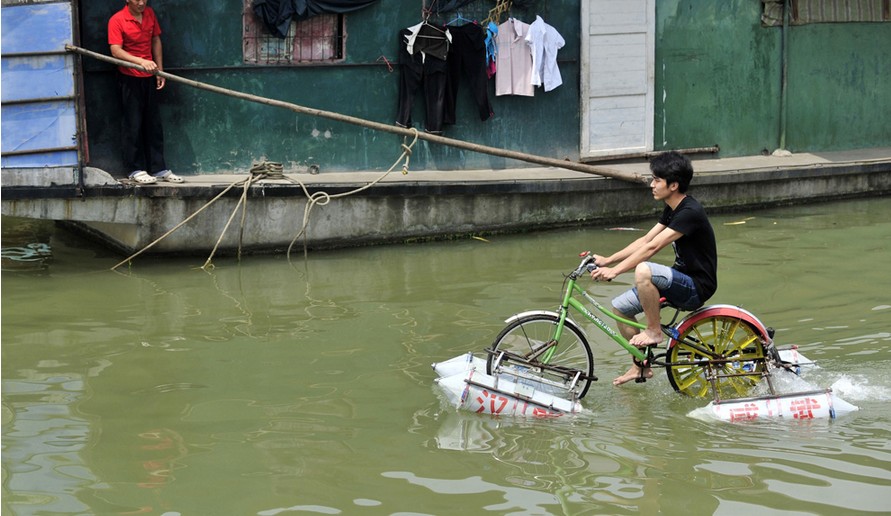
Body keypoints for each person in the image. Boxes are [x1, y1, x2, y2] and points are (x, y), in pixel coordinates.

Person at [589, 151, 717, 386]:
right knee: (620, 308)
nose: (652, 184)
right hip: (679, 279)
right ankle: (641, 367)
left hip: (696, 287)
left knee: (644, 269)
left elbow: (653, 248)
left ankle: (654, 331)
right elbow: (646, 240)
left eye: (657, 180)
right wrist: (608, 260)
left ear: (673, 185)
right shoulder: (672, 207)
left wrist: (616, 272)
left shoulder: (690, 212)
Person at [108, 0, 183, 184]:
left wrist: (160, 70)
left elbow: (156, 40)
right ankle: (134, 169)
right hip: (129, 78)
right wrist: (140, 61)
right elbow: (115, 50)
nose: (141, 3)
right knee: (132, 125)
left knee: (153, 124)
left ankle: (158, 169)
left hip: (149, 76)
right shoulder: (117, 20)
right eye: (137, 0)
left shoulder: (149, 14)